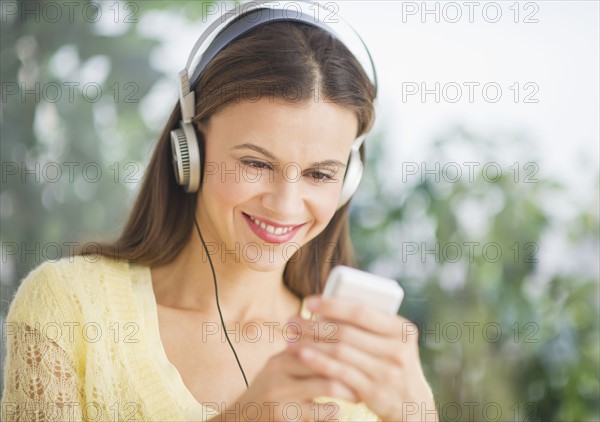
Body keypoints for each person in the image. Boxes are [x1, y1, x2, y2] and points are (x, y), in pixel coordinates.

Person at [1, 1, 437, 421]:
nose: (284, 205)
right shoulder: (69, 309)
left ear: (349, 179)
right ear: (189, 151)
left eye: (320, 175)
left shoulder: (356, 357)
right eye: (255, 163)